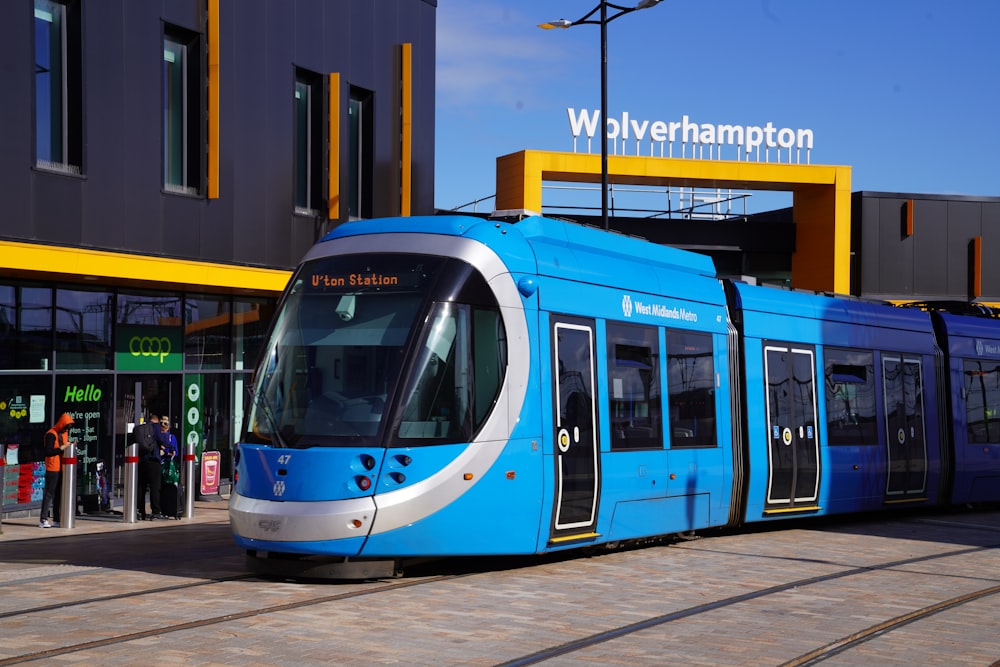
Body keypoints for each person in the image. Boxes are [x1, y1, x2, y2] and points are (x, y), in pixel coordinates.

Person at [40, 413, 75, 528]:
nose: (66, 429)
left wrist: (70, 446)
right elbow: (48, 451)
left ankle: (56, 518)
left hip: (62, 467)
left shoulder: (64, 434)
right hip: (52, 467)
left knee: (59, 494)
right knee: (49, 493)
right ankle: (43, 519)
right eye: (65, 426)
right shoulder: (51, 434)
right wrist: (61, 448)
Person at [133, 414, 169, 520]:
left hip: (141, 461)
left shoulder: (140, 429)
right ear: (156, 421)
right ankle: (156, 512)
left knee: (141, 487)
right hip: (153, 461)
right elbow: (162, 440)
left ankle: (140, 511)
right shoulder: (155, 427)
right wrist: (168, 447)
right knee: (154, 487)